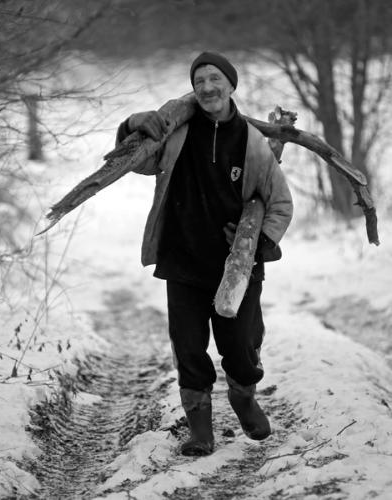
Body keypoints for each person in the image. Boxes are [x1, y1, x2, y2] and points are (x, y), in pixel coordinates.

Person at [116, 51, 293, 456]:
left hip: (237, 267)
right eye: (199, 81)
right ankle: (200, 430)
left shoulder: (252, 142)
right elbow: (135, 161)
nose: (208, 87)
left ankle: (243, 397)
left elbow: (281, 204)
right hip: (182, 259)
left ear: (231, 85)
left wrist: (259, 244)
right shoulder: (177, 132)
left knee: (242, 346)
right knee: (189, 349)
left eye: (215, 79)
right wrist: (130, 125)